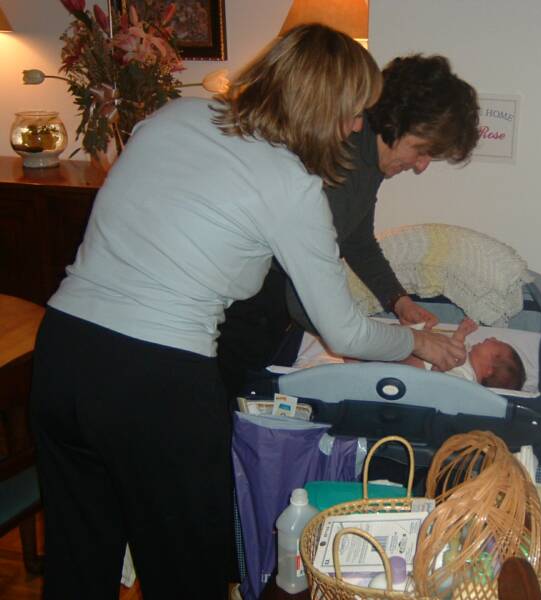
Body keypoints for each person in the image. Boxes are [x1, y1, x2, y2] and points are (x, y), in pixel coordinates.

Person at [28, 25, 466, 600]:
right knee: (187, 574)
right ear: (321, 106)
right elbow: (342, 330)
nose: (359, 126)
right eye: (354, 112)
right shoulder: (292, 185)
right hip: (155, 381)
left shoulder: (172, 116)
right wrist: (417, 342)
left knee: (79, 560)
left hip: (62, 354)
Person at [217, 53, 480, 399]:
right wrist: (367, 350)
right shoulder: (342, 157)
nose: (421, 166)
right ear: (397, 122)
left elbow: (357, 239)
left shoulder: (370, 161)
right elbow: (304, 293)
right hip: (248, 301)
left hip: (276, 303)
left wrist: (398, 300)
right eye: (421, 150)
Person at [308, 318, 527, 391]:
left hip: (417, 371)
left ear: (488, 369)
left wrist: (439, 364)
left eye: (496, 346)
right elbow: (452, 350)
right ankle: (359, 355)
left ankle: (359, 358)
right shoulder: (465, 356)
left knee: (400, 353)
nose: (492, 338)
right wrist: (460, 333)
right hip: (418, 358)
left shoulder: (467, 383)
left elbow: (439, 382)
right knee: (395, 336)